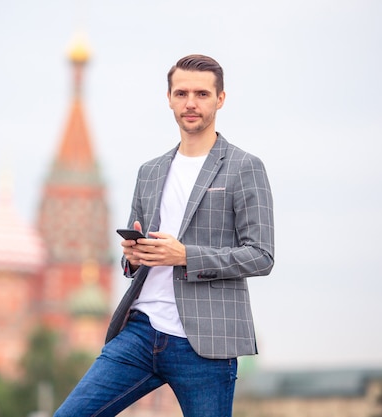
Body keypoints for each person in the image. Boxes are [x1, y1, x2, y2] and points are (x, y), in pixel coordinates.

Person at [53, 54, 275, 417]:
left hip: (205, 343)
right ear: (169, 98)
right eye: (182, 93)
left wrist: (184, 255)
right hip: (140, 332)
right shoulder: (150, 171)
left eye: (202, 94)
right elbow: (132, 259)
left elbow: (261, 254)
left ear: (220, 99)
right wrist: (133, 256)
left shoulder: (244, 167)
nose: (191, 103)